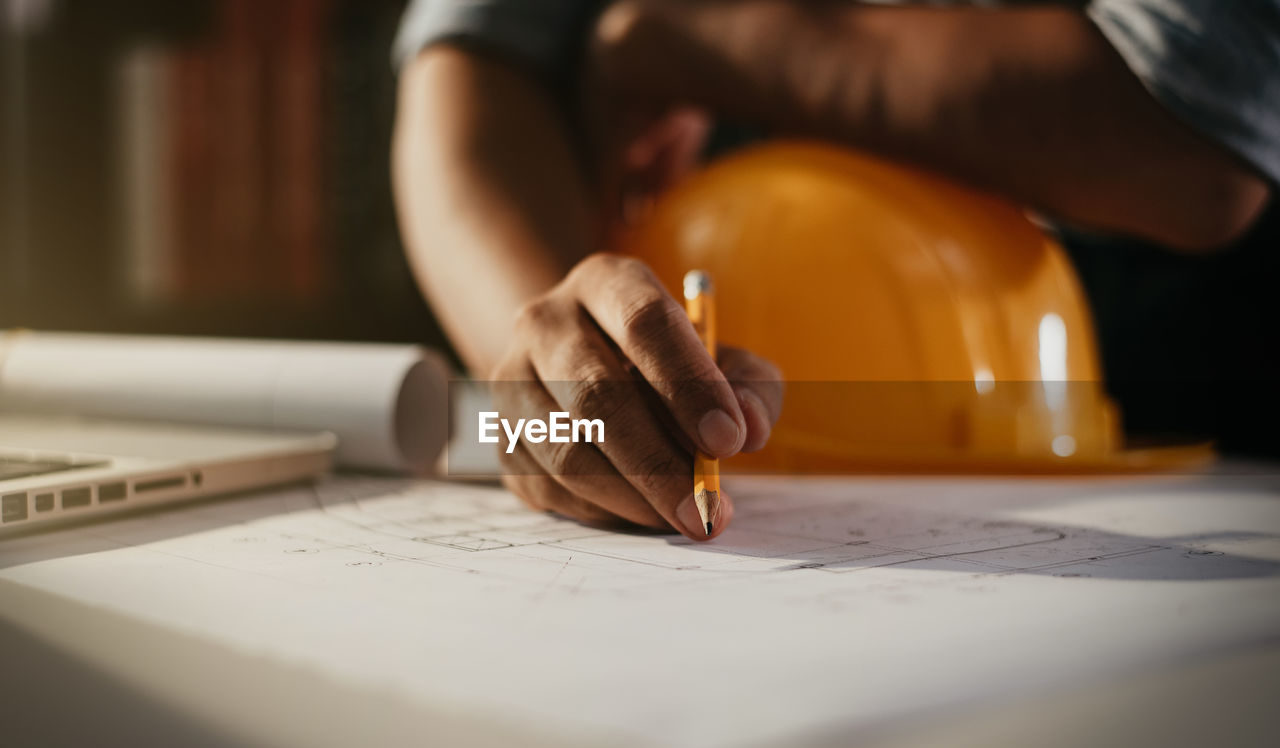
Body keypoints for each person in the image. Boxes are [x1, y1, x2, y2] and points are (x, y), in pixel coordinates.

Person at [390, 0, 1278, 538]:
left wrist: (695, 36)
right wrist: (562, 374)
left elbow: (1201, 137)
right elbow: (473, 61)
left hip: (1170, 422)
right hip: (742, 434)